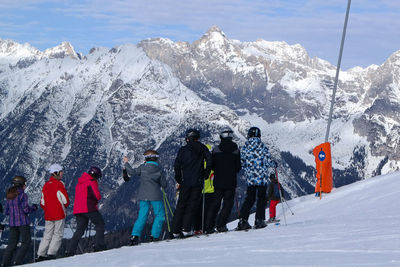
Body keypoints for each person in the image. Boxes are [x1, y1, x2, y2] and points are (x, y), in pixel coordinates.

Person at [171, 128, 212, 238]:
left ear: (188, 138)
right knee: (192, 205)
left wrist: (179, 178)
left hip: (185, 181)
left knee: (181, 205)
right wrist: (206, 174)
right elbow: (209, 160)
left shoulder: (183, 150)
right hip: (198, 180)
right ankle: (186, 228)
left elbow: (177, 165)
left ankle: (175, 230)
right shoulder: (202, 148)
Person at [123, 150, 167, 246]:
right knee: (160, 215)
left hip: (143, 196)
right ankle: (154, 236)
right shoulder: (159, 169)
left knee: (142, 216)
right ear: (156, 158)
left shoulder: (142, 168)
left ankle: (135, 236)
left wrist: (126, 163)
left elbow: (131, 172)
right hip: (156, 196)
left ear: (146, 159)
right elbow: (164, 184)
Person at [237, 127, 275, 230]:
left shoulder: (245, 147)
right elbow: (268, 161)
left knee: (250, 198)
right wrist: (273, 164)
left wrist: (249, 170)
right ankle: (259, 220)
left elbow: (242, 162)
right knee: (261, 198)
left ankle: (243, 220)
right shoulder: (262, 146)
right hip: (262, 177)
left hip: (251, 178)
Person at [206, 127, 241, 233]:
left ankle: (209, 226)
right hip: (230, 181)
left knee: (215, 204)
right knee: (227, 204)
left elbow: (212, 165)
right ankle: (221, 225)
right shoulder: (236, 149)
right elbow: (238, 167)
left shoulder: (216, 149)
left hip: (218, 181)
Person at [66, 166, 106, 256]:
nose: (98, 179)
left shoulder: (80, 182)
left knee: (79, 230)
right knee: (100, 224)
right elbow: (97, 196)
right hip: (89, 208)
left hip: (78, 209)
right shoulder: (92, 182)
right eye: (98, 177)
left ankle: (70, 251)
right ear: (95, 175)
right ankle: (99, 246)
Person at [1, 176, 38, 267]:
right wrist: (34, 208)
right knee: (26, 242)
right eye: (25, 183)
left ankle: (5, 263)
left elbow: (6, 211)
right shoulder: (23, 195)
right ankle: (17, 262)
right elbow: (25, 209)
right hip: (23, 222)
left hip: (12, 223)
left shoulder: (9, 195)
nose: (25, 185)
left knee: (12, 244)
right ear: (21, 184)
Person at [36, 164, 70, 261]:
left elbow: (42, 203)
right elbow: (65, 201)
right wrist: (63, 206)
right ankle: (51, 253)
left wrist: (48, 208)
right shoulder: (59, 184)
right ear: (57, 173)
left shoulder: (46, 185)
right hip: (59, 213)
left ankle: (41, 254)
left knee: (47, 234)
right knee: (57, 234)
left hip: (48, 215)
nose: (62, 173)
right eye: (61, 172)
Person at [193, 144, 215, 235]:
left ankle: (197, 228)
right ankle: (207, 227)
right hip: (209, 190)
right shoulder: (211, 164)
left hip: (198, 190)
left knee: (198, 210)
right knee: (208, 210)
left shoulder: (196, 163)